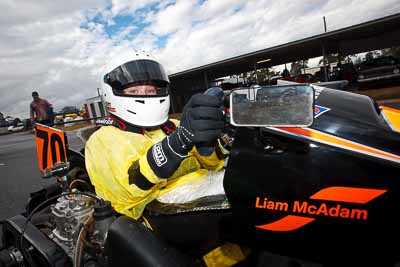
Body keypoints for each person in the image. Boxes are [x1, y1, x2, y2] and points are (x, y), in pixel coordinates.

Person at [85, 50, 226, 219]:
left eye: (150, 91)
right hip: (155, 224)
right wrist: (176, 144)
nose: (144, 96)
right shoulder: (102, 140)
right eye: (134, 92)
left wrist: (213, 142)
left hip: (205, 207)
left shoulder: (174, 126)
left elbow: (213, 165)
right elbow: (125, 194)